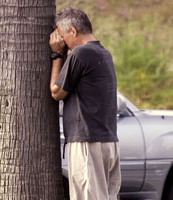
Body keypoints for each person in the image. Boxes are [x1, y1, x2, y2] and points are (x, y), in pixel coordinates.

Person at [49, 7, 121, 200]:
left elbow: (56, 92)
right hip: (108, 141)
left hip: (87, 142)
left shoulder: (80, 53)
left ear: (73, 31)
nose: (62, 42)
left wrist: (56, 56)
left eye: (62, 36)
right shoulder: (103, 53)